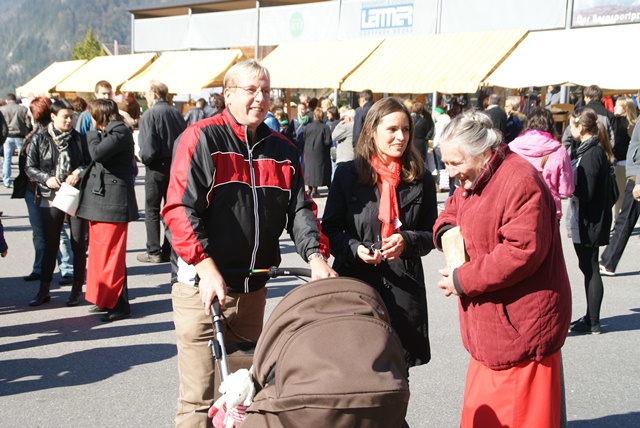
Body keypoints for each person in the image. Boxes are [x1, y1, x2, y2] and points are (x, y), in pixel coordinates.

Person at [161, 59, 337, 427]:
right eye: (251, 90)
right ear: (228, 95)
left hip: (253, 290)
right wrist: (205, 267)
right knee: (199, 400)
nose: (260, 98)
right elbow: (179, 209)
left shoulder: (283, 149)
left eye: (266, 91)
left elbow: (300, 209)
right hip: (202, 290)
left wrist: (315, 256)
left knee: (242, 395)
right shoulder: (202, 138)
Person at [434, 110, 571, 427]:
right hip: (494, 327)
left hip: (520, 328)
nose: (450, 172)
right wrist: (445, 232)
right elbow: (453, 209)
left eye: (455, 163)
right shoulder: (476, 175)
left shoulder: (520, 181)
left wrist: (462, 279)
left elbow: (520, 252)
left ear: (483, 152)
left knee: (520, 415)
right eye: (445, 163)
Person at [322, 97, 437, 372]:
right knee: (355, 369)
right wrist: (354, 248)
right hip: (357, 285)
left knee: (397, 373)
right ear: (373, 130)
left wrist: (407, 240)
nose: (401, 137)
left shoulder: (420, 178)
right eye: (392, 129)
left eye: (406, 129)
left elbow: (431, 233)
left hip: (403, 288)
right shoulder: (348, 174)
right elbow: (330, 229)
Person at [76, 99, 139, 322]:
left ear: (100, 116)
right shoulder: (112, 132)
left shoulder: (120, 132)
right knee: (99, 254)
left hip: (113, 203)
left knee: (112, 256)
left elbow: (97, 154)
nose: (90, 120)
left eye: (92, 116)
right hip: (103, 202)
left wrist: (92, 133)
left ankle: (119, 304)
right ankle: (104, 299)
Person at [25, 99, 90, 307]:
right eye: (65, 117)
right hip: (50, 196)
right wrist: (46, 178)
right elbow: (29, 167)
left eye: (71, 117)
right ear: (53, 117)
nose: (69, 121)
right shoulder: (40, 138)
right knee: (50, 244)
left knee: (78, 244)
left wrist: (78, 172)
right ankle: (44, 290)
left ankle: (76, 290)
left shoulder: (78, 138)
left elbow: (89, 162)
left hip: (74, 195)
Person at [11, 97, 74, 284]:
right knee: (41, 231)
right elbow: (28, 166)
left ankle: (67, 269)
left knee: (55, 231)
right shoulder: (34, 135)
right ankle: (41, 268)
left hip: (51, 189)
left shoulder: (52, 136)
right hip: (34, 189)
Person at [567, 108, 614, 334]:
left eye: (572, 125)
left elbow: (588, 191)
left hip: (591, 219)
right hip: (587, 217)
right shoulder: (586, 149)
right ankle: (590, 317)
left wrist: (568, 185)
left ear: (581, 128)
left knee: (591, 267)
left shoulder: (592, 153)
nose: (569, 130)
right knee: (587, 266)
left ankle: (593, 321)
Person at [137, 80, 186, 264]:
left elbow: (148, 148)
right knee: (170, 209)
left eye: (147, 94)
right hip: (175, 166)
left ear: (155, 94)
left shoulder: (150, 114)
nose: (145, 97)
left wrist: (144, 158)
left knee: (152, 209)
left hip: (156, 166)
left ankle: (154, 251)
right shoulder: (176, 113)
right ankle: (168, 249)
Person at [509, 107, 574, 221]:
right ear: (551, 125)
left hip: (518, 208)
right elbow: (566, 190)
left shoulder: (512, 147)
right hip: (548, 211)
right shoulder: (559, 150)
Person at [600, 116, 640, 276]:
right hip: (636, 175)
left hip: (637, 178)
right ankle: (608, 261)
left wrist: (639, 180)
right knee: (625, 220)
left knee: (625, 220)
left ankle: (608, 262)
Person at [611, 97, 637, 219]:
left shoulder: (627, 124)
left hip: (622, 162)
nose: (615, 107)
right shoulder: (630, 123)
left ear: (626, 108)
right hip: (622, 161)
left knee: (620, 194)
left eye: (618, 106)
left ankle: (618, 219)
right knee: (621, 194)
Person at [1, 94, 32, 188]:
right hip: (20, 136)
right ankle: (23, 179)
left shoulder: (2, 109)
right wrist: (27, 132)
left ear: (7, 100)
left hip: (7, 136)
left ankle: (6, 180)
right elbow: (28, 124)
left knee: (7, 159)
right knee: (23, 159)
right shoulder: (23, 109)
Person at [303, 108, 332, 197]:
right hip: (320, 151)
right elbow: (328, 141)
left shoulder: (308, 126)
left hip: (308, 150)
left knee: (309, 169)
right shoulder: (325, 127)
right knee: (318, 170)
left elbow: (304, 137)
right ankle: (315, 190)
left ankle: (309, 188)